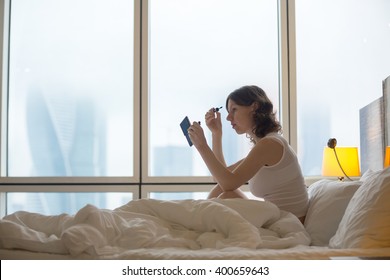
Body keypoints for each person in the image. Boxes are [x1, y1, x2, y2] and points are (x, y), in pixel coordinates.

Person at [187, 85, 308, 223]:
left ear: (254, 107)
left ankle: (197, 223)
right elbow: (221, 178)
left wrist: (202, 146)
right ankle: (198, 223)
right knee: (224, 191)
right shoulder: (266, 144)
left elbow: (228, 183)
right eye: (228, 111)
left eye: (234, 110)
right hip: (279, 217)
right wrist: (216, 134)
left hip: (289, 222)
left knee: (227, 194)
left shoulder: (270, 145)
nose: (228, 117)